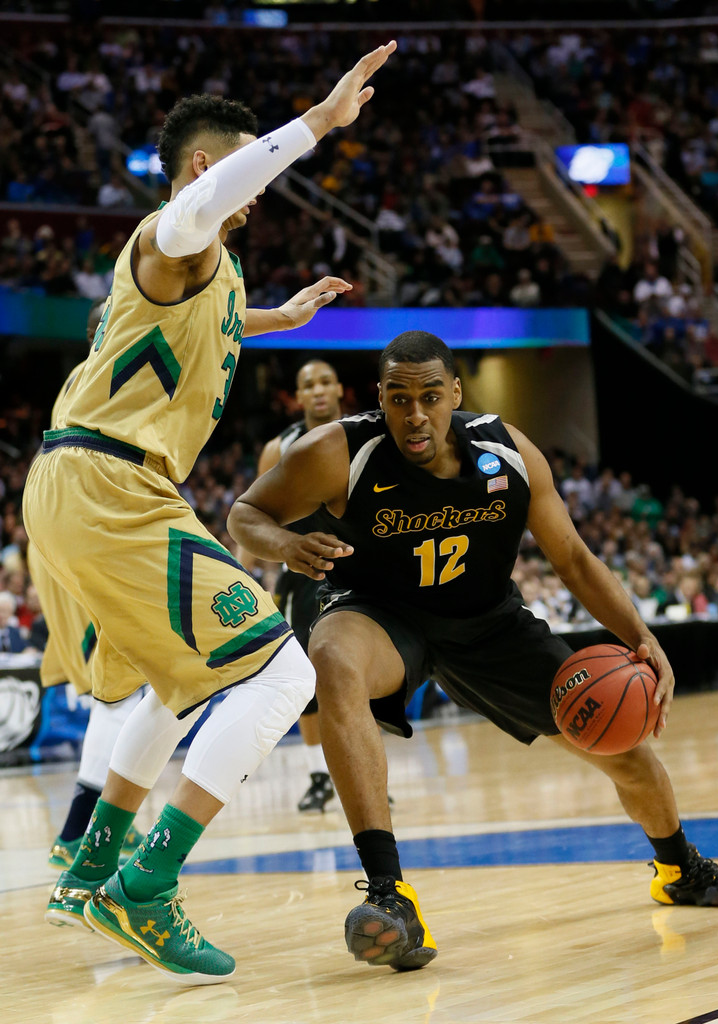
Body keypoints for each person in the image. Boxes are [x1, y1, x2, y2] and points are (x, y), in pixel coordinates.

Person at [22, 39, 396, 986]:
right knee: (280, 677)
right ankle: (146, 888)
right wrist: (318, 121)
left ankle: (89, 867)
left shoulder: (215, 273)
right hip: (110, 483)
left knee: (166, 683)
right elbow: (200, 208)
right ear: (206, 167)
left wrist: (281, 319)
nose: (255, 194)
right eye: (240, 172)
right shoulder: (172, 231)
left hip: (85, 484)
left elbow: (214, 316)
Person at [228, 330, 718, 972]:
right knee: (333, 661)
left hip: (489, 624)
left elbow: (572, 558)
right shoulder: (338, 451)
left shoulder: (507, 452)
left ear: (456, 392)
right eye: (399, 399)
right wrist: (283, 546)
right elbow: (244, 514)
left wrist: (639, 636)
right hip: (382, 616)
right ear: (380, 398)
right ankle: (390, 896)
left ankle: (679, 867)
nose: (415, 414)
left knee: (624, 749)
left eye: (430, 396)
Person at [26, 299, 147, 870]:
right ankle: (81, 831)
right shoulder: (104, 373)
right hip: (78, 531)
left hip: (73, 529)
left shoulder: (100, 375)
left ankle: (96, 828)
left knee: (122, 686)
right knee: (117, 688)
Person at [238, 358, 344, 812]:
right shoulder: (277, 447)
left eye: (325, 381)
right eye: (308, 385)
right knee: (305, 679)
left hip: (357, 563)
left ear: (339, 388)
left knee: (359, 672)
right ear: (298, 397)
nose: (318, 390)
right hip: (299, 574)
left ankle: (359, 764)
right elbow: (253, 517)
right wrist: (246, 580)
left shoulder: (365, 435)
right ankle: (318, 775)